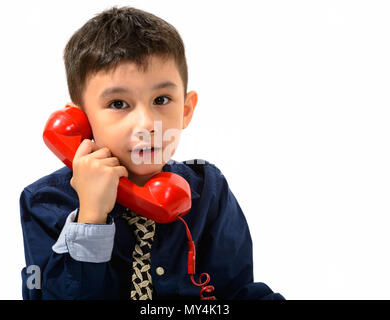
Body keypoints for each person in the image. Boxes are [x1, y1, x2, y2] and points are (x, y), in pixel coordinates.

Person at [20, 5, 285, 300]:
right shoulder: (45, 201)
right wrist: (90, 217)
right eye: (118, 104)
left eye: (161, 99)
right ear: (82, 121)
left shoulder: (209, 190)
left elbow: (237, 293)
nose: (147, 123)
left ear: (185, 110)